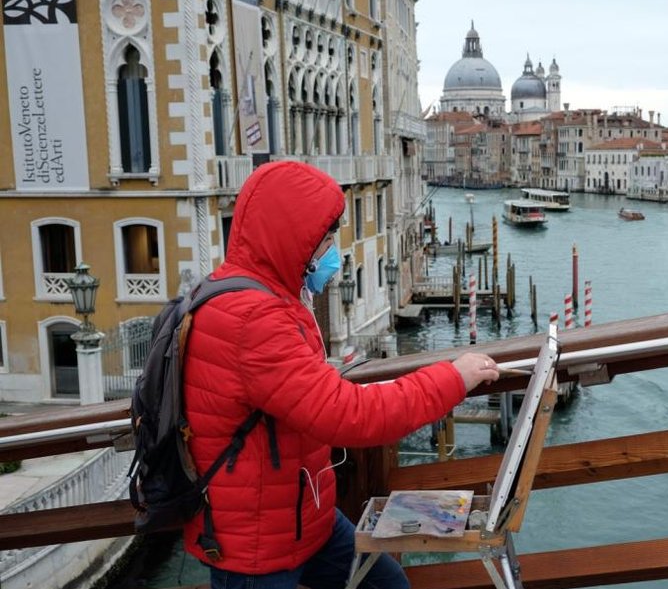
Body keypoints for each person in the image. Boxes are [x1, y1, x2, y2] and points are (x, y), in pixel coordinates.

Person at [182, 160, 500, 589]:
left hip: (302, 519)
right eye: (324, 237)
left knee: (388, 585)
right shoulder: (251, 318)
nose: (332, 247)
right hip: (258, 546)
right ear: (291, 236)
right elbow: (350, 415)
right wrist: (452, 378)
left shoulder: (259, 295)